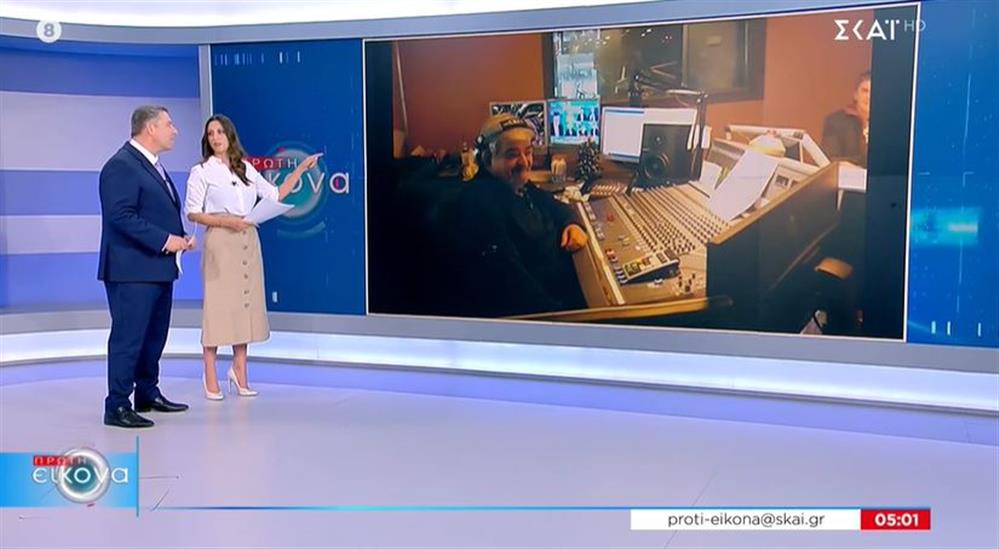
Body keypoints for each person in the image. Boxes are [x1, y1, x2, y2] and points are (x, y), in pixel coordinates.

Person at [185, 115, 321, 399]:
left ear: (230, 135)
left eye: (220, 132)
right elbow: (193, 212)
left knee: (244, 304)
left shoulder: (245, 168)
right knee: (218, 308)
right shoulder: (201, 172)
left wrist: (301, 169)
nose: (215, 137)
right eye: (210, 133)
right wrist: (227, 222)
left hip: (247, 239)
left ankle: (240, 372)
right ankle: (209, 375)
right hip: (221, 239)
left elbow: (275, 194)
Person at [98, 105, 195, 428]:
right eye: (169, 124)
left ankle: (147, 393)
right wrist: (165, 240)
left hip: (157, 268)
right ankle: (117, 405)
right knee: (128, 338)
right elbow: (120, 216)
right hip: (131, 270)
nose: (175, 130)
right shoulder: (121, 165)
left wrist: (179, 237)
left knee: (154, 337)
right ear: (150, 128)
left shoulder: (152, 166)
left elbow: (153, 211)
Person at [448, 113, 589, 317]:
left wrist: (572, 223)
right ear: (487, 159)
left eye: (528, 152)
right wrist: (572, 321)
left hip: (562, 293)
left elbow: (554, 205)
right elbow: (517, 288)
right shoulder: (479, 205)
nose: (524, 162)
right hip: (548, 314)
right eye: (512, 155)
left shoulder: (517, 184)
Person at [822, 70, 871, 168]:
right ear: (855, 95)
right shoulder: (835, 121)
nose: (869, 96)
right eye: (865, 91)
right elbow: (830, 159)